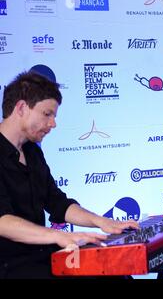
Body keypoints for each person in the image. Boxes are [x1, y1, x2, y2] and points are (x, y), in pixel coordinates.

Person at [0, 71, 140, 279]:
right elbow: (2, 222)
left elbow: (57, 203)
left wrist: (102, 222)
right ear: (21, 108)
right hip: (9, 266)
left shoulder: (32, 151)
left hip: (43, 255)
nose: (53, 124)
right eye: (47, 114)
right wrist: (59, 235)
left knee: (114, 273)